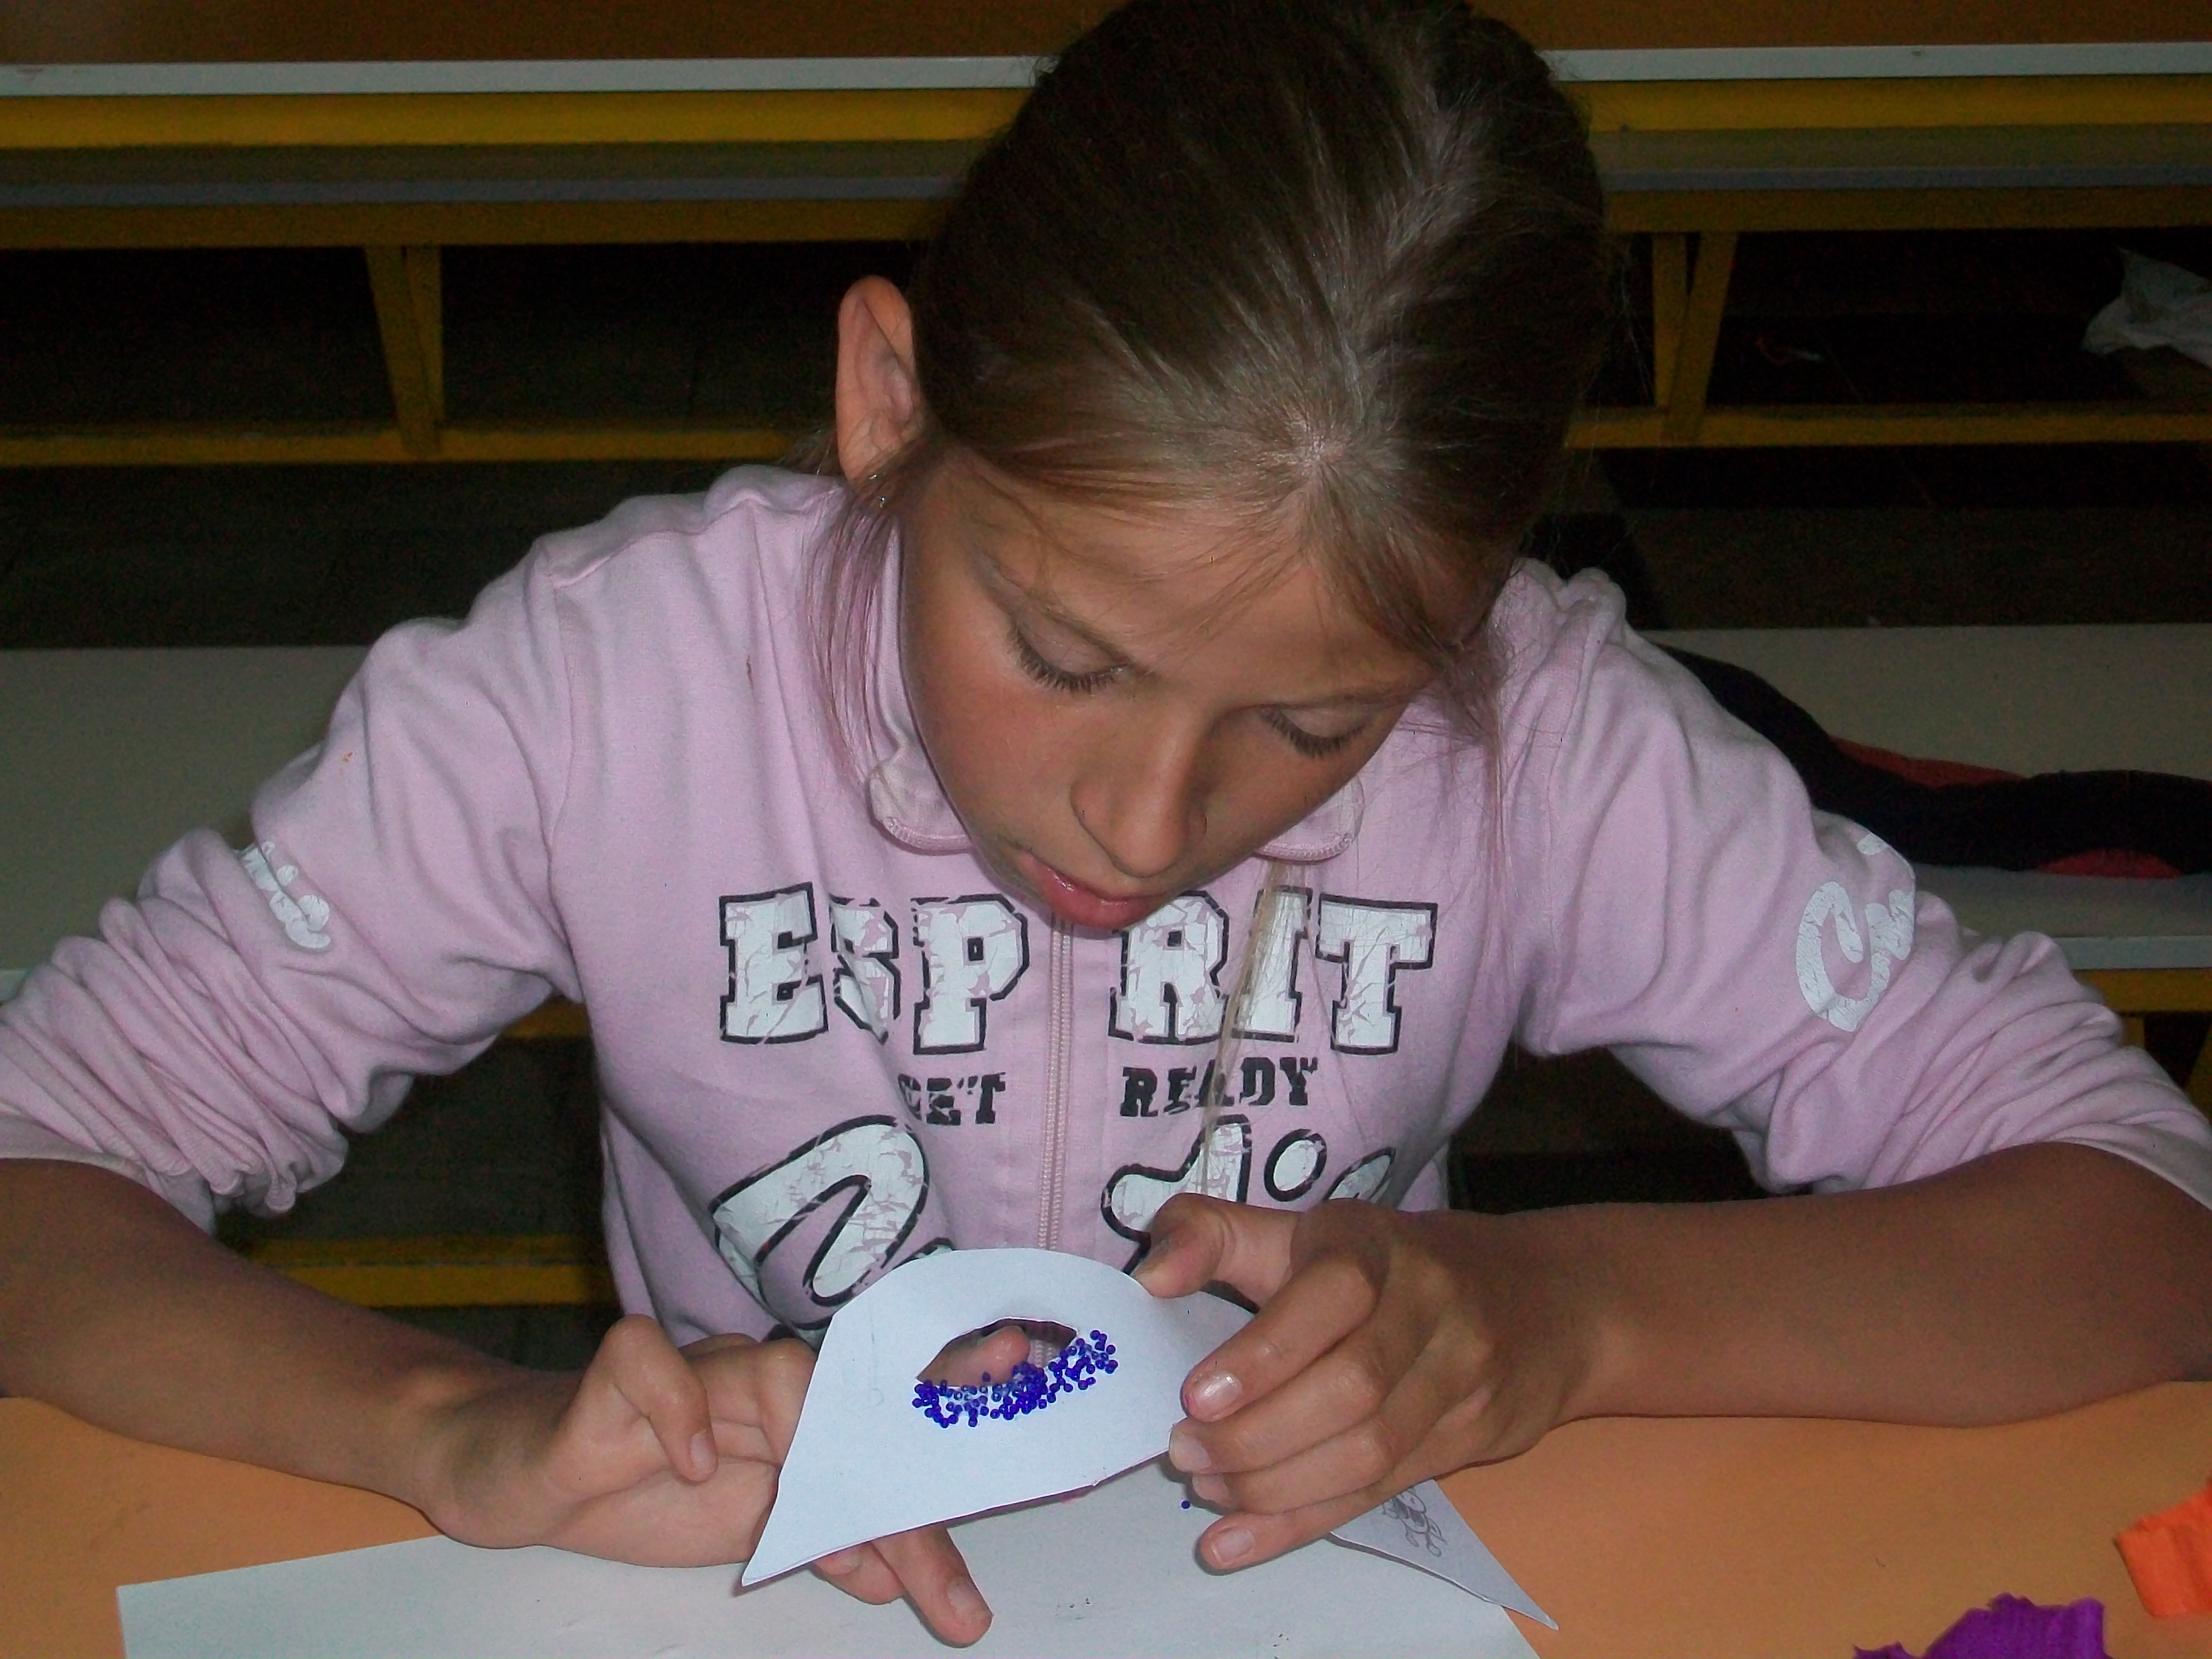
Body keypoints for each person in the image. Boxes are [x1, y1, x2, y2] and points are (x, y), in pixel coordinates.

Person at [3, 0, 2210, 1645]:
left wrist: (1559, 1308)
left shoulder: (1545, 737)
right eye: (1061, 655)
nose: (1148, 822)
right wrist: (446, 1429)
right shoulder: (602, 700)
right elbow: (38, 1162)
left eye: (1322, 722)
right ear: (889, 407)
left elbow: (2141, 1219)